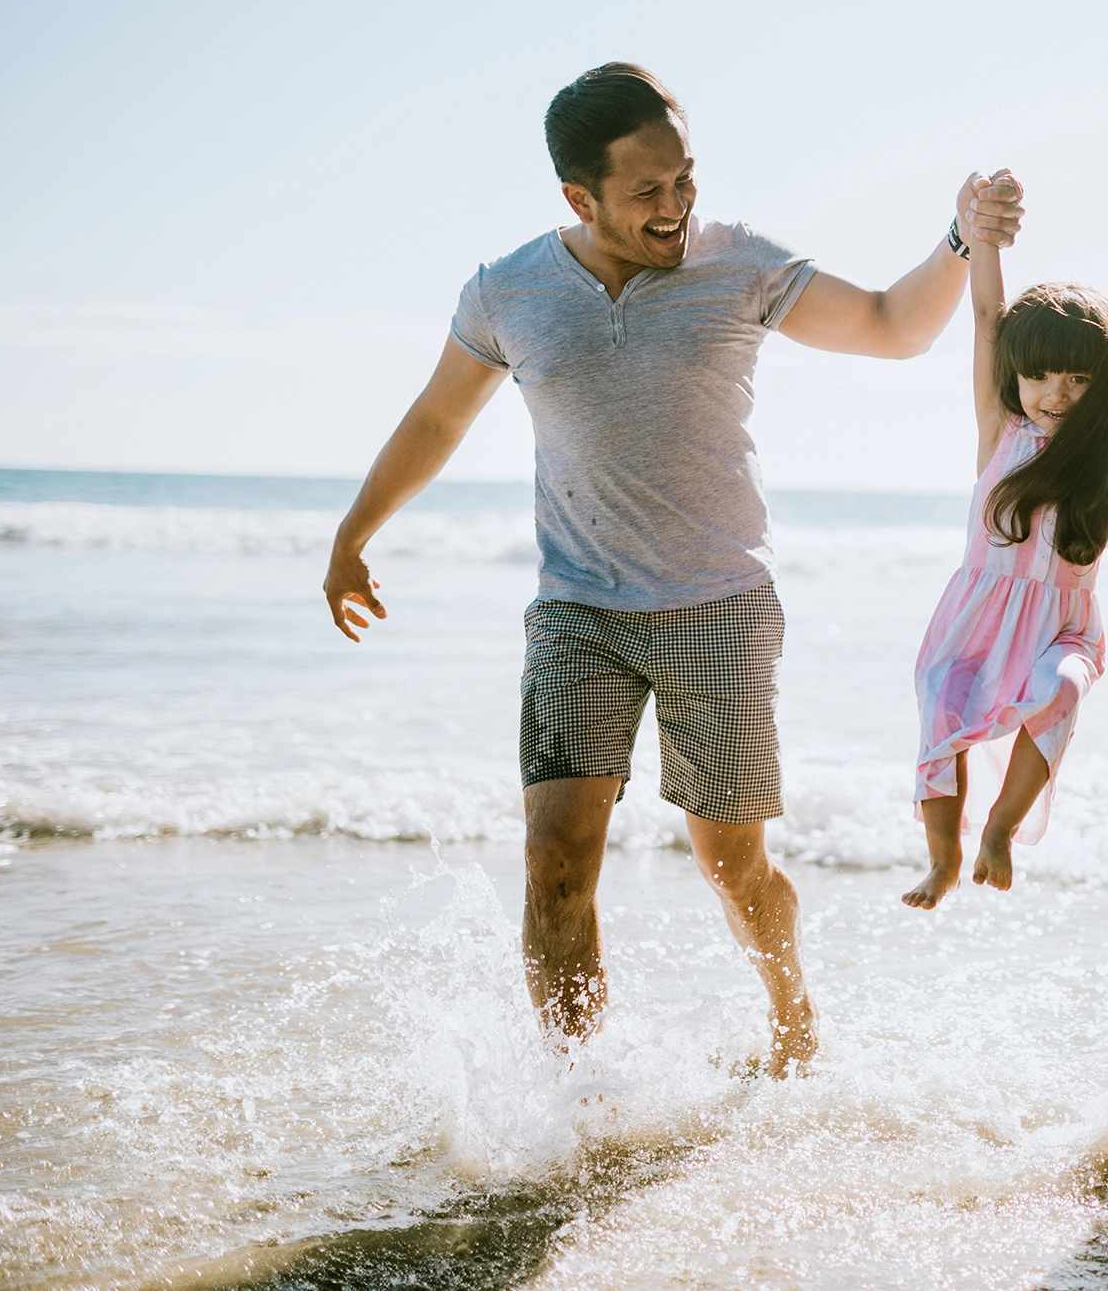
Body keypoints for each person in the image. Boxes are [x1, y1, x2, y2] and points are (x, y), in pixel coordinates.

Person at [321, 63, 1025, 1074]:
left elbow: (889, 324)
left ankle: (792, 1029)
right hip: (577, 611)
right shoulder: (507, 290)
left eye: (683, 181)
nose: (674, 208)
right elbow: (438, 417)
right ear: (579, 197)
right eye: (645, 192)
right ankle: (571, 1096)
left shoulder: (735, 265)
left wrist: (960, 239)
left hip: (719, 607)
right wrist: (354, 533)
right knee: (554, 862)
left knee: (732, 868)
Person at [903, 176, 1108, 910]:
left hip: (1061, 626)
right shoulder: (997, 429)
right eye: (1040, 375)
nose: (1056, 392)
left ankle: (1001, 830)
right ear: (1016, 373)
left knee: (1061, 691)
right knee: (944, 719)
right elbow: (984, 316)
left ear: (1100, 381)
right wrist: (984, 241)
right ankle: (942, 856)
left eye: (1076, 377)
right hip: (974, 616)